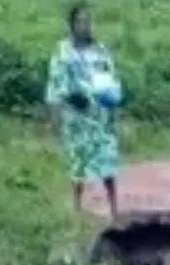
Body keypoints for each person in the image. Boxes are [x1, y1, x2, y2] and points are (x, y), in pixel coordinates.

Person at [46, 3, 121, 218]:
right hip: (76, 116)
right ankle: (77, 207)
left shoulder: (100, 50)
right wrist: (55, 116)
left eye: (88, 21)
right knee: (77, 162)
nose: (85, 26)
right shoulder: (63, 51)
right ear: (71, 25)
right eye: (80, 21)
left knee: (107, 161)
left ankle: (114, 206)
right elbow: (55, 83)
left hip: (100, 115)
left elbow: (110, 79)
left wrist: (114, 110)